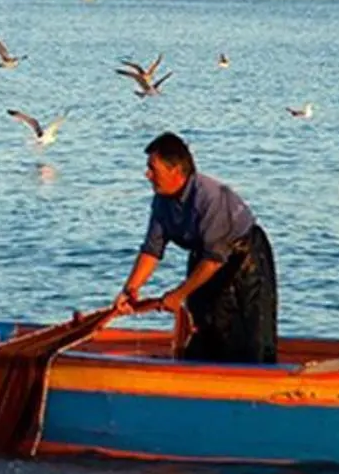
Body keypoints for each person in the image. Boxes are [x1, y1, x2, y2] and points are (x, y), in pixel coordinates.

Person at [114, 132, 279, 363]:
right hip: (204, 255)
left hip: (244, 258)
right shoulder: (161, 201)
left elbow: (214, 260)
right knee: (204, 328)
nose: (147, 175)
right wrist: (130, 290)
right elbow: (151, 250)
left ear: (175, 171)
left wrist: (178, 295)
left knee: (250, 335)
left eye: (152, 168)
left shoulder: (210, 197)